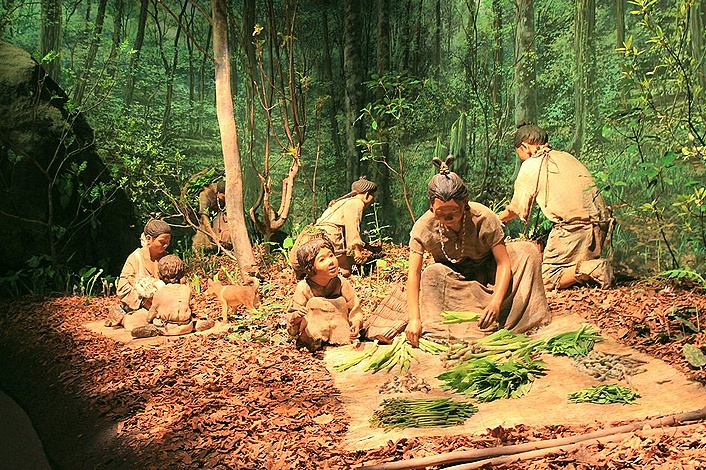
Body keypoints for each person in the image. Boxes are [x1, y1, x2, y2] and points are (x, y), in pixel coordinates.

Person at [405, 156, 551, 347]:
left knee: (527, 252)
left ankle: (510, 316)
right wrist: (414, 319)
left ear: (465, 203)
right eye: (440, 213)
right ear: (431, 207)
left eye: (454, 211)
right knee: (432, 274)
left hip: (491, 276)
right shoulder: (423, 227)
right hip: (454, 282)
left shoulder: (484, 218)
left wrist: (496, 302)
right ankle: (453, 327)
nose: (447, 217)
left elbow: (503, 263)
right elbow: (414, 274)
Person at [498, 123, 615, 291]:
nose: (522, 159)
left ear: (524, 147)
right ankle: (588, 268)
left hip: (574, 229)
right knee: (567, 272)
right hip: (600, 226)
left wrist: (496, 219)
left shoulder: (532, 164)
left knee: (546, 279)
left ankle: (593, 268)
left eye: (520, 155)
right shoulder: (565, 156)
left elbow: (516, 209)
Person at [285, 236, 364, 352]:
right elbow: (292, 318)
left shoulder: (342, 283)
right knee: (315, 302)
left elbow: (354, 308)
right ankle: (314, 343)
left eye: (331, 255)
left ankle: (339, 341)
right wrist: (297, 316)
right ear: (310, 267)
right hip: (313, 337)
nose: (331, 262)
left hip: (340, 335)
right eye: (322, 259)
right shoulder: (304, 287)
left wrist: (356, 323)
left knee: (340, 302)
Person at [289, 176, 378, 277]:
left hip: (319, 235)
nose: (372, 200)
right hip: (331, 236)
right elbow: (352, 229)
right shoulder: (356, 203)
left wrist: (369, 247)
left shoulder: (343, 202)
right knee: (346, 271)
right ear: (367, 195)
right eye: (372, 196)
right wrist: (357, 250)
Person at [105, 217, 171, 335]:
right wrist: (145, 301)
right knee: (139, 322)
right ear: (149, 239)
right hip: (141, 307)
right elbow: (123, 288)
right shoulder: (135, 258)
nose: (166, 245)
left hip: (164, 305)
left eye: (168, 242)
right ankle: (122, 317)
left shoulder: (167, 258)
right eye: (162, 242)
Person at [146, 254, 214, 336]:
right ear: (182, 274)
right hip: (186, 327)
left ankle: (154, 331)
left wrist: (149, 319)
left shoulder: (160, 292)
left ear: (160, 274)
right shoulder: (186, 289)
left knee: (145, 322)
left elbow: (153, 311)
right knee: (206, 322)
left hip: (165, 328)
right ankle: (196, 325)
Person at [192, 179, 231, 251]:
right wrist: (212, 234)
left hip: (219, 218)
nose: (225, 199)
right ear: (218, 193)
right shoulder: (205, 195)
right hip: (207, 221)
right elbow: (204, 216)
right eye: (223, 197)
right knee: (203, 245)